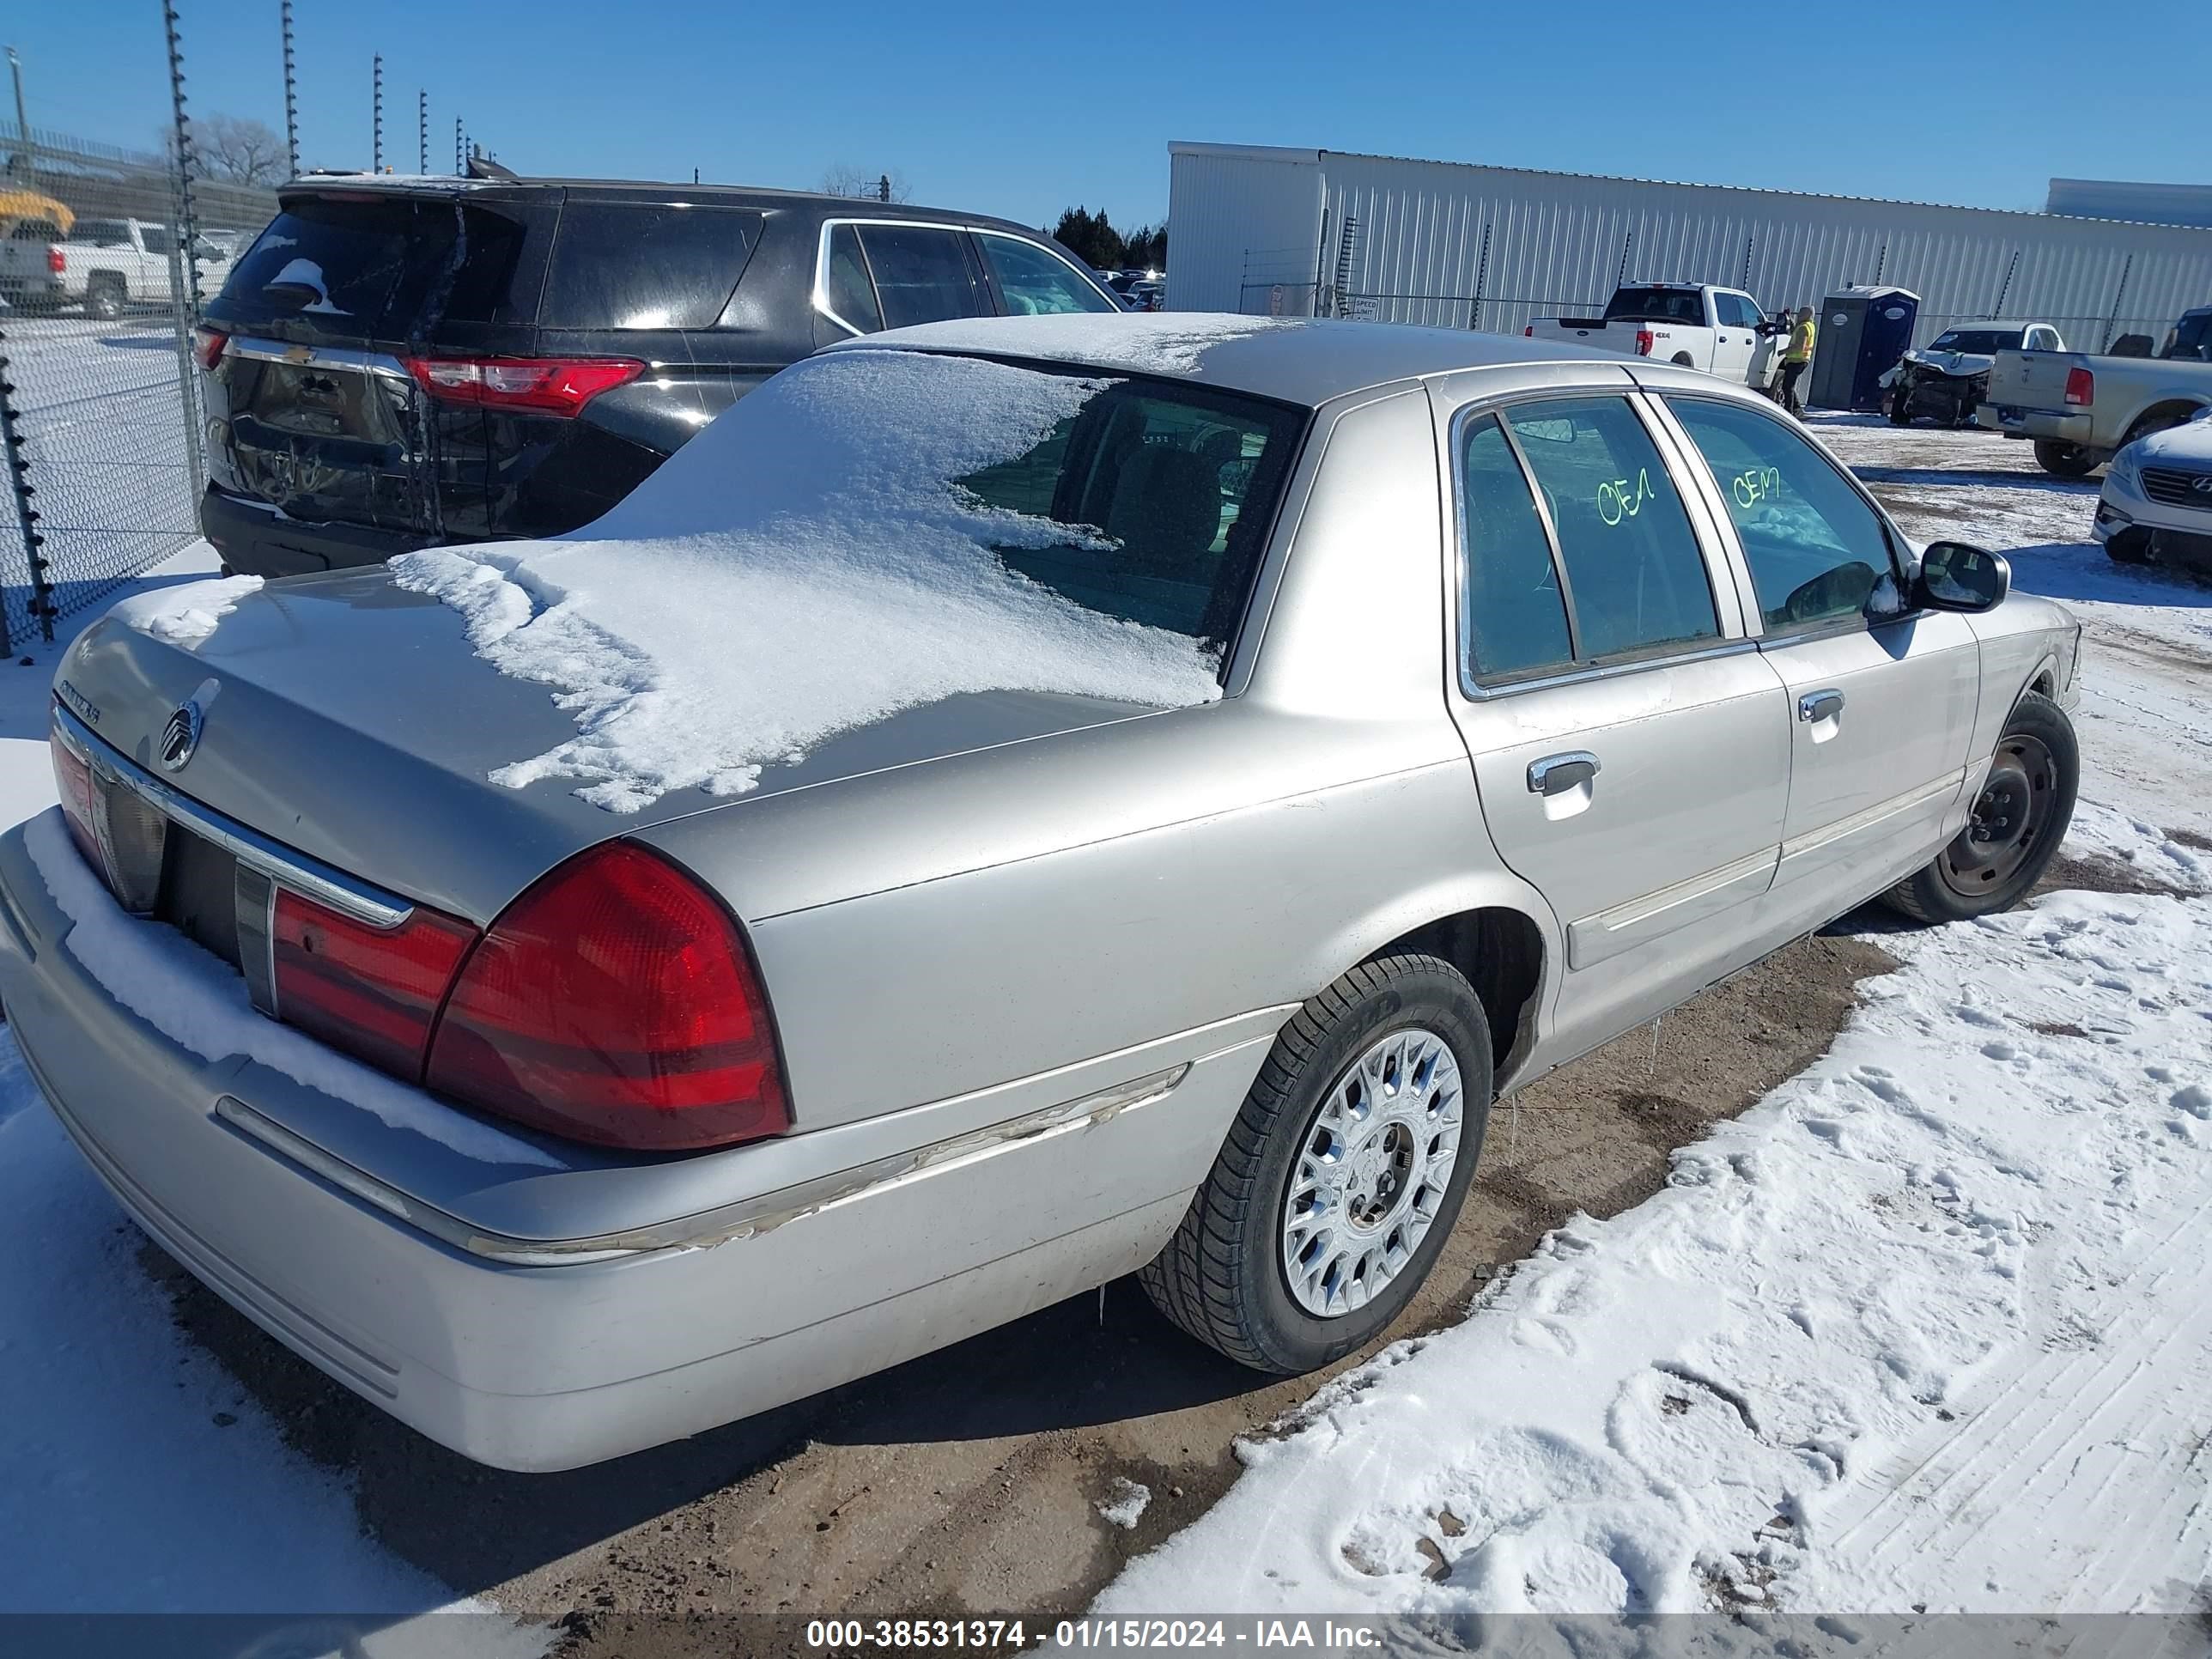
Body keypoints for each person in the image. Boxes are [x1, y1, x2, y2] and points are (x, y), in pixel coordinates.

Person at [1780, 307, 1817, 416]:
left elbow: (1798, 346)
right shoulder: (1808, 325)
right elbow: (1793, 330)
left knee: (1787, 386)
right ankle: (1796, 409)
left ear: (1806, 314)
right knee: (1789, 385)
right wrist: (1789, 317)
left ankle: (1789, 411)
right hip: (1800, 360)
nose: (1799, 314)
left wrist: (1782, 352)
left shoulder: (1804, 328)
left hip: (1797, 360)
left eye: (1801, 313)